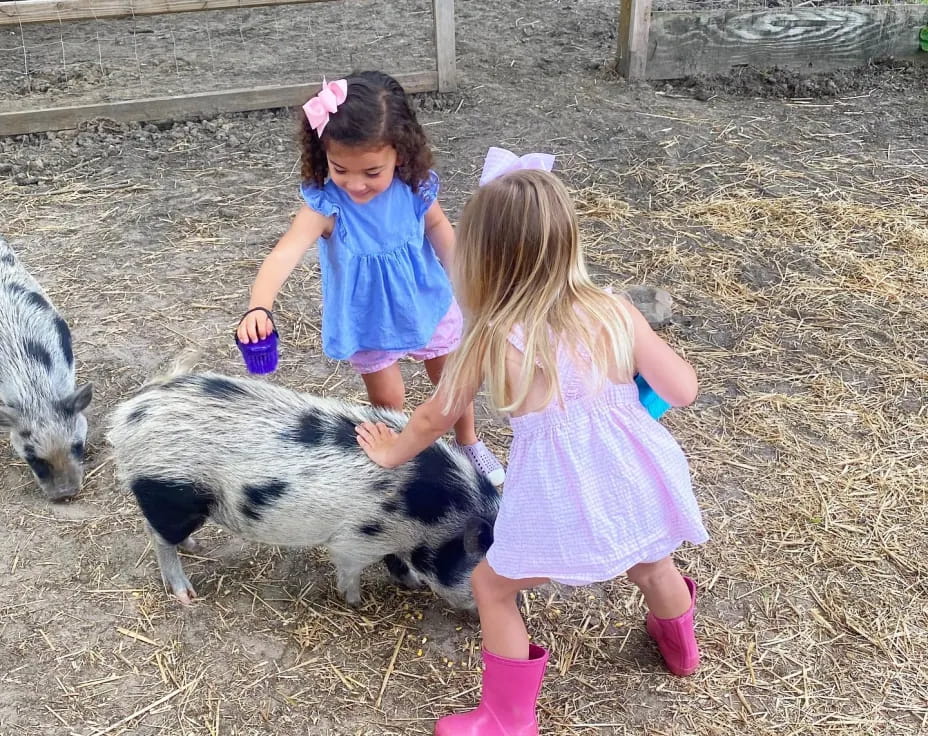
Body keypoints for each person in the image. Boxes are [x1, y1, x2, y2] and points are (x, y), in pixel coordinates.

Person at [356, 157, 708, 735]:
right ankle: (681, 648)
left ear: (484, 258)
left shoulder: (490, 336)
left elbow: (434, 416)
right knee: (653, 562)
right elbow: (683, 389)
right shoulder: (614, 310)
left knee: (492, 587)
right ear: (567, 240)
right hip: (633, 473)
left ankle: (505, 719)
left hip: (558, 491)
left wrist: (393, 452)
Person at [237, 71, 504, 484]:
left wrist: (470, 282)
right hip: (369, 318)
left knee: (452, 380)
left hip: (425, 301)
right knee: (387, 397)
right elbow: (286, 251)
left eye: (372, 172)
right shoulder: (326, 205)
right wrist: (260, 304)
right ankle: (401, 461)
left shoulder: (413, 188)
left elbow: (438, 230)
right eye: (340, 168)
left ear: (401, 152)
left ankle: (468, 442)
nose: (356, 184)